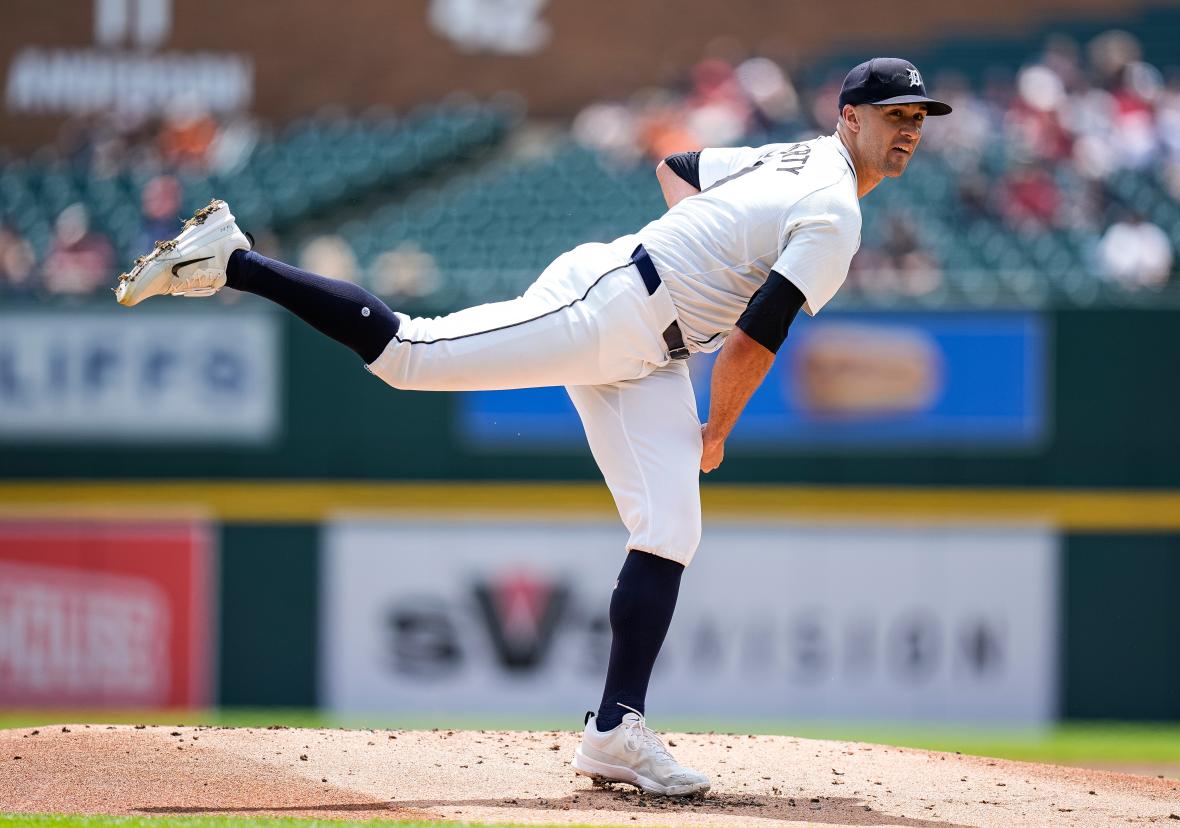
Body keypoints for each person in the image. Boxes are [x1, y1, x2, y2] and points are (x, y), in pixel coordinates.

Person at [114, 57, 950, 797]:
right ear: (850, 116)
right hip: (617, 309)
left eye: (917, 119)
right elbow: (755, 336)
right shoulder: (836, 208)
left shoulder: (792, 156)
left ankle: (615, 733)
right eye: (894, 115)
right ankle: (234, 260)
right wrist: (714, 428)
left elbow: (679, 167)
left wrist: (699, 262)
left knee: (669, 528)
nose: (908, 130)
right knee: (412, 354)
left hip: (649, 340)